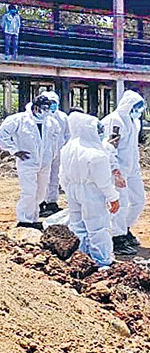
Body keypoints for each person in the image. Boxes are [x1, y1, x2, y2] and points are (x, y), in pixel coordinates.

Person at [59, 113, 120, 268]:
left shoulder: (68, 148)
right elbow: (103, 182)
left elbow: (62, 175)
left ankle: (82, 259)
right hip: (91, 192)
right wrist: (113, 198)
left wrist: (70, 190)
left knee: (77, 225)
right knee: (98, 227)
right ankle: (102, 260)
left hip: (73, 189)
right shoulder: (96, 154)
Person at [0, 95, 60, 229]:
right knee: (29, 191)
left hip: (44, 163)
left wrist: (52, 155)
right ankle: (24, 220)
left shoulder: (50, 122)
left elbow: (56, 138)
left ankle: (33, 218)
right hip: (27, 162)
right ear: (36, 107)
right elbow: (2, 135)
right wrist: (14, 150)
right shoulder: (18, 119)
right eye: (44, 108)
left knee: (40, 192)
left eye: (48, 109)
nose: (46, 112)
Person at [101, 90, 146, 255]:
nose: (138, 111)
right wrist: (115, 170)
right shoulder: (115, 121)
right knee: (121, 204)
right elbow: (109, 147)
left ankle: (124, 228)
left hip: (132, 169)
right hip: (118, 169)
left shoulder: (134, 122)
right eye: (136, 107)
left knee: (139, 201)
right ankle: (116, 237)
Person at [39, 91, 70, 217]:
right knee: (41, 178)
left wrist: (64, 148)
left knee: (55, 177)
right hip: (43, 153)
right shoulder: (41, 116)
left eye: (54, 103)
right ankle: (40, 202)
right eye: (50, 103)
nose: (52, 105)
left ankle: (52, 202)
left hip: (58, 152)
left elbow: (67, 134)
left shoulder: (62, 117)